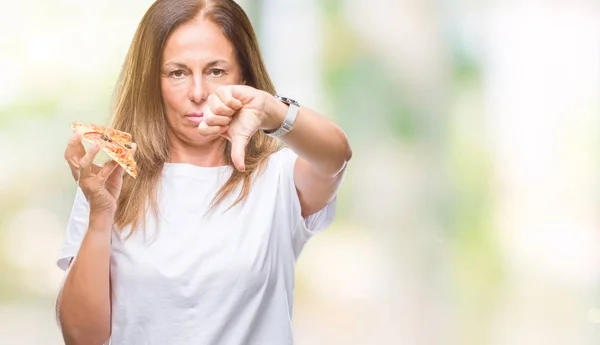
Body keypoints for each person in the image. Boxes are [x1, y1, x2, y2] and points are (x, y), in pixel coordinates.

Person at [55, 0, 352, 344]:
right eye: (177, 73)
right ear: (153, 80)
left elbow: (336, 155)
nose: (198, 93)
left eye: (216, 71)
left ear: (243, 75)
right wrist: (100, 215)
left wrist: (270, 108)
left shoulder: (278, 178)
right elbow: (82, 337)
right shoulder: (110, 180)